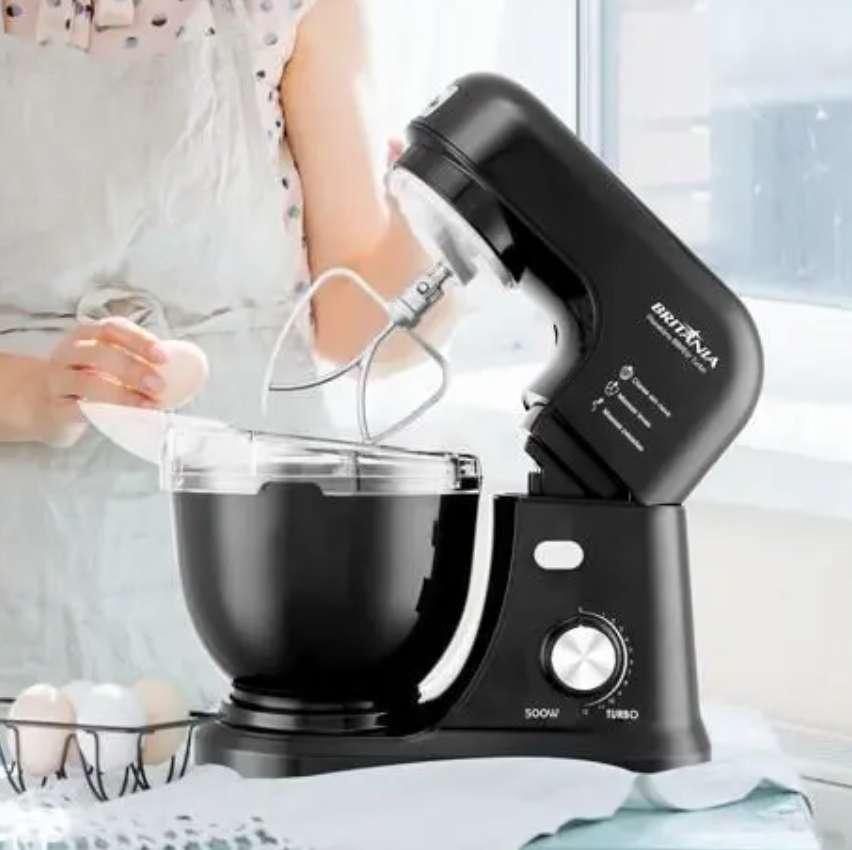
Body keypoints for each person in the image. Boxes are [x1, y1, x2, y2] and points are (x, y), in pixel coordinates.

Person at [0, 0, 438, 703]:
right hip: (21, 576)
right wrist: (28, 395)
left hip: (256, 562)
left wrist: (433, 231)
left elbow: (357, 326)